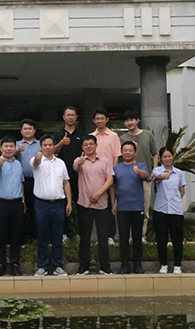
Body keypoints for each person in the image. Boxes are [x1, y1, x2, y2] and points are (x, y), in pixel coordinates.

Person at [32, 134, 72, 277]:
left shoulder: (60, 163)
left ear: (54, 147)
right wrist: (38, 158)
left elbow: (66, 182)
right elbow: (35, 163)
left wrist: (69, 202)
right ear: (41, 147)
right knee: (42, 236)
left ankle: (57, 265)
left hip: (58, 204)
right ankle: (42, 266)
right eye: (45, 145)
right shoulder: (36, 160)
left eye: (50, 145)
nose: (48, 147)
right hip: (41, 204)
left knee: (57, 236)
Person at [73, 135, 114, 275]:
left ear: (96, 145)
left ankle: (105, 266)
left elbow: (110, 180)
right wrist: (80, 162)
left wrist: (99, 193)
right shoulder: (79, 160)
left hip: (102, 204)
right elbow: (76, 167)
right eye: (85, 144)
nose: (88, 146)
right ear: (82, 147)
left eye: (91, 144)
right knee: (85, 237)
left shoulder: (105, 160)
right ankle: (83, 266)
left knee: (103, 237)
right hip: (84, 204)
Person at [109, 141, 148, 274]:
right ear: (121, 152)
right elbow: (113, 187)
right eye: (125, 150)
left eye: (130, 150)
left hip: (137, 207)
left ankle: (137, 264)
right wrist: (113, 204)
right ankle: (124, 264)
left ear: (135, 152)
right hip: (122, 207)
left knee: (137, 237)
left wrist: (139, 172)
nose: (127, 153)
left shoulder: (140, 165)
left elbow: (145, 176)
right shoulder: (116, 168)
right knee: (123, 238)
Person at [120, 110, 158, 242]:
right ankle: (130, 237)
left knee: (144, 208)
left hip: (145, 178)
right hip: (128, 180)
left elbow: (155, 153)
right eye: (126, 120)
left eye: (132, 119)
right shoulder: (122, 138)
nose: (129, 122)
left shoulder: (148, 135)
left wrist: (154, 169)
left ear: (137, 120)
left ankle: (141, 236)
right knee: (129, 209)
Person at [0, 135, 25, 276]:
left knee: (16, 236)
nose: (9, 149)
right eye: (6, 146)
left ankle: (15, 264)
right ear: (1, 148)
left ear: (15, 148)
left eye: (11, 146)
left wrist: (23, 202)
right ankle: (1, 264)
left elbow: (21, 183)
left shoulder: (18, 164)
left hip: (17, 204)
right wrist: (1, 160)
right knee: (1, 236)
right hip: (1, 204)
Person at [52, 106, 85, 238]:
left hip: (80, 174)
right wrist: (61, 143)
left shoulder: (82, 134)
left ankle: (80, 233)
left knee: (80, 204)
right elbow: (53, 151)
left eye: (73, 115)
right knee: (63, 204)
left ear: (76, 117)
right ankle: (64, 234)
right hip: (61, 176)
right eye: (68, 115)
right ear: (64, 117)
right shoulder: (58, 134)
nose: (70, 117)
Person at [152, 147, 186, 274]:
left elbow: (182, 191)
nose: (167, 159)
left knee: (177, 239)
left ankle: (177, 265)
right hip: (160, 210)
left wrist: (174, 200)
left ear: (173, 157)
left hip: (176, 211)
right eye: (165, 157)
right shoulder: (157, 170)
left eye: (169, 156)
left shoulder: (179, 173)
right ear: (161, 159)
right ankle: (163, 264)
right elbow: (156, 176)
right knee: (161, 239)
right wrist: (164, 176)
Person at [90, 108, 121, 243]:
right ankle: (99, 236)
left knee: (110, 205)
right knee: (97, 207)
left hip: (109, 176)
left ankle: (110, 235)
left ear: (107, 119)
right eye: (97, 118)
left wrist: (112, 174)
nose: (100, 121)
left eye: (102, 118)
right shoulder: (91, 136)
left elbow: (116, 156)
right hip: (95, 176)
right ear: (94, 121)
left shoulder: (113, 136)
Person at [16, 118, 40, 242]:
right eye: (25, 129)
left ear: (34, 130)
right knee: (22, 208)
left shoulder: (41, 144)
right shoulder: (16, 144)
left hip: (37, 181)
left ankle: (35, 235)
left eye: (30, 128)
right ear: (21, 131)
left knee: (35, 207)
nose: (27, 131)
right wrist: (17, 151)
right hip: (20, 182)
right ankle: (23, 235)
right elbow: (7, 156)